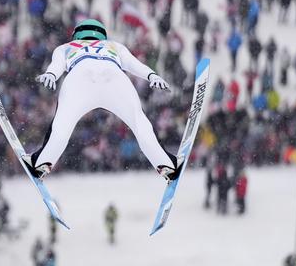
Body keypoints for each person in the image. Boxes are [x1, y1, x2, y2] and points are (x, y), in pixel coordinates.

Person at [23, 20, 181, 184]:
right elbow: (133, 63)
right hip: (114, 77)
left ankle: (42, 162)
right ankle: (166, 164)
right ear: (102, 35)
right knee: (139, 122)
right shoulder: (114, 45)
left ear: (76, 34)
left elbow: (57, 64)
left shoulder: (65, 47)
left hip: (80, 77)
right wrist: (152, 76)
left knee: (62, 124)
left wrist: (51, 74)